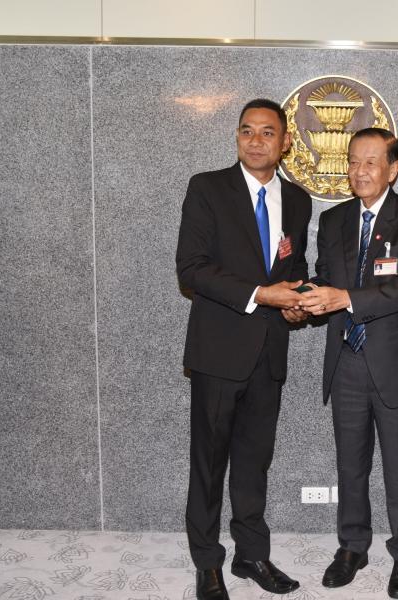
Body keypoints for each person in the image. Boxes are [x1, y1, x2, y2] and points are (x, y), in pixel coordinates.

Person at [175, 99, 312, 600]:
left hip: (269, 352)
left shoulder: (298, 200)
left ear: (285, 142)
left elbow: (293, 269)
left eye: (267, 132)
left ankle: (251, 555)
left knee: (255, 462)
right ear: (237, 137)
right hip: (218, 351)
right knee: (209, 465)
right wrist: (261, 295)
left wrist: (296, 303)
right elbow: (191, 269)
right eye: (247, 131)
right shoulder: (207, 188)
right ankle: (207, 562)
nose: (256, 141)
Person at [300, 128, 398, 599]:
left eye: (371, 162)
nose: (359, 171)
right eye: (353, 162)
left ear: (392, 169)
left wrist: (344, 298)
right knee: (350, 464)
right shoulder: (334, 219)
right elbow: (326, 278)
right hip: (347, 360)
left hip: (397, 364)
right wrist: (302, 300)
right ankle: (352, 547)